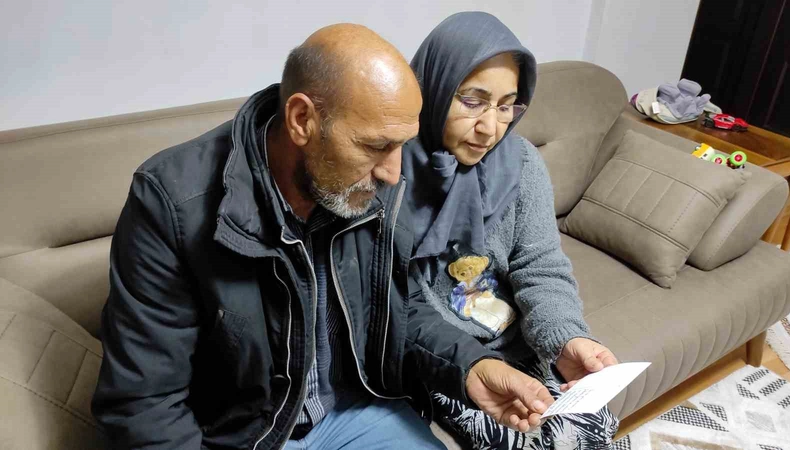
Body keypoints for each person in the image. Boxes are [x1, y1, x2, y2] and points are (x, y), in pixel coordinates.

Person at [92, 23, 557, 450]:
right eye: (376, 146)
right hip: (248, 436)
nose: (394, 173)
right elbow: (145, 406)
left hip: (356, 409)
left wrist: (472, 367)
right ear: (302, 120)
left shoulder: (369, 183)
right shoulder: (171, 203)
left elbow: (400, 304)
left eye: (402, 145)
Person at [403, 12, 621, 449]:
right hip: (448, 357)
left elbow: (540, 266)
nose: (491, 128)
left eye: (506, 106)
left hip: (519, 337)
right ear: (434, 88)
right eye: (472, 101)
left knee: (592, 426)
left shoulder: (520, 162)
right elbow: (398, 308)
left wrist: (566, 337)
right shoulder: (390, 174)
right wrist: (474, 365)